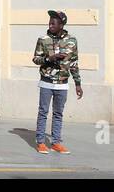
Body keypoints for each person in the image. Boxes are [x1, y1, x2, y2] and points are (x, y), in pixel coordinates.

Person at [32, 9, 81, 154]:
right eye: (50, 22)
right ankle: (40, 142)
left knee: (58, 113)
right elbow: (35, 59)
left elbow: (74, 63)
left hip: (63, 83)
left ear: (62, 24)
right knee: (43, 112)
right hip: (46, 81)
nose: (50, 24)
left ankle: (56, 143)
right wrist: (49, 59)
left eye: (54, 22)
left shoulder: (72, 41)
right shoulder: (43, 39)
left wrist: (78, 84)